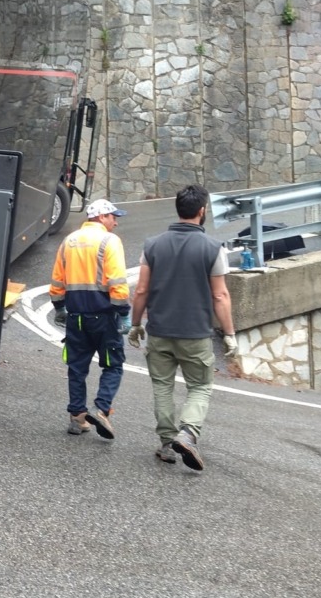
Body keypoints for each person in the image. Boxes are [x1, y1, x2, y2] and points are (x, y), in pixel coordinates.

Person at [127, 184, 238, 471]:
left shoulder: (152, 245)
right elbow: (220, 295)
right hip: (195, 334)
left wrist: (136, 324)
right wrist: (229, 334)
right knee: (200, 386)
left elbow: (141, 290)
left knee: (162, 387)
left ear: (178, 209)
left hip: (159, 331)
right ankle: (187, 434)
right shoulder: (213, 248)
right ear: (202, 212)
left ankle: (166, 444)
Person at [49, 197, 130, 439]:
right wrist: (124, 314)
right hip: (104, 317)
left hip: (76, 317)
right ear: (102, 217)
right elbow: (117, 282)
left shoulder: (68, 241)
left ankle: (77, 418)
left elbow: (57, 280)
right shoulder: (109, 240)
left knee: (76, 368)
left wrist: (59, 307)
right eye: (113, 217)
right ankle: (102, 409)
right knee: (113, 365)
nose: (115, 222)